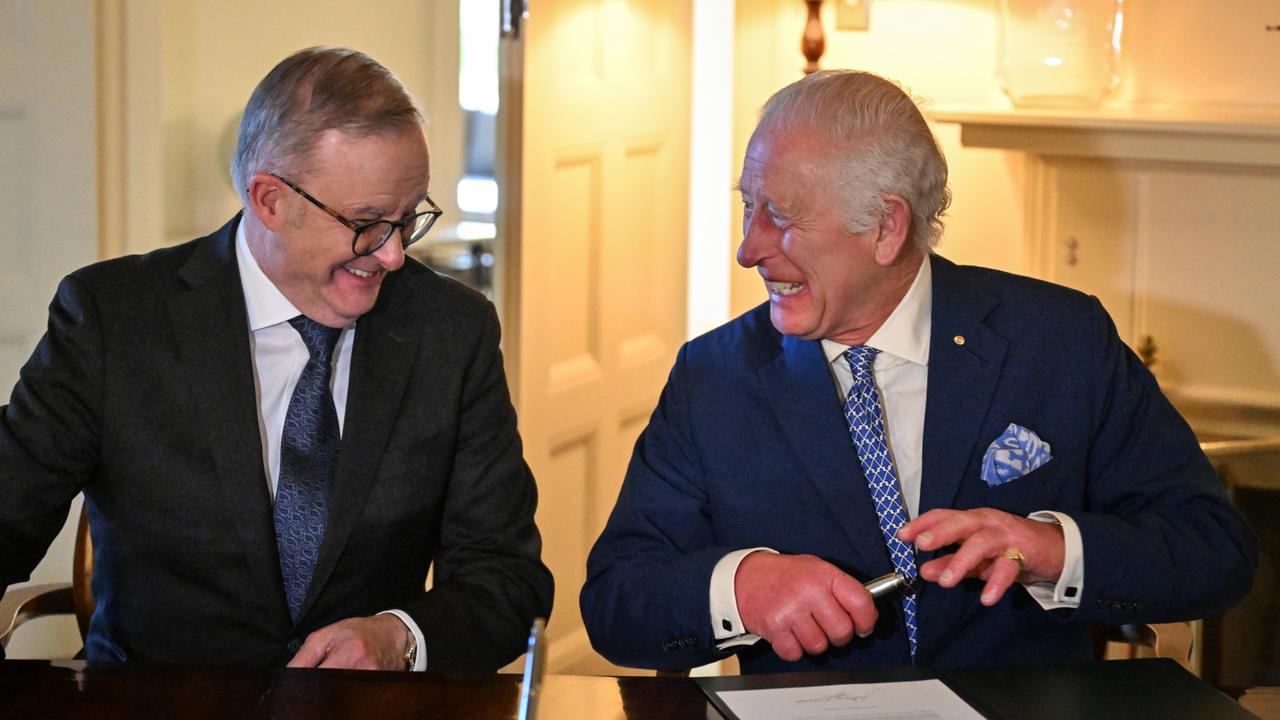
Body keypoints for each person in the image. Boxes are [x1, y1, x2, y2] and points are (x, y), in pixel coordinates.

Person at [579, 70, 1257, 673]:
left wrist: (1052, 549)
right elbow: (617, 602)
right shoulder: (714, 378)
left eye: (779, 217)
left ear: (886, 228)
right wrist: (740, 588)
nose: (747, 248)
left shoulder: (1059, 340)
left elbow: (1214, 550)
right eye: (747, 206)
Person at [0, 47, 552, 672]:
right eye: (368, 223)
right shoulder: (112, 320)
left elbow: (507, 579)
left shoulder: (451, 331)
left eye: (410, 217)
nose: (394, 255)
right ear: (268, 199)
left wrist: (401, 638)